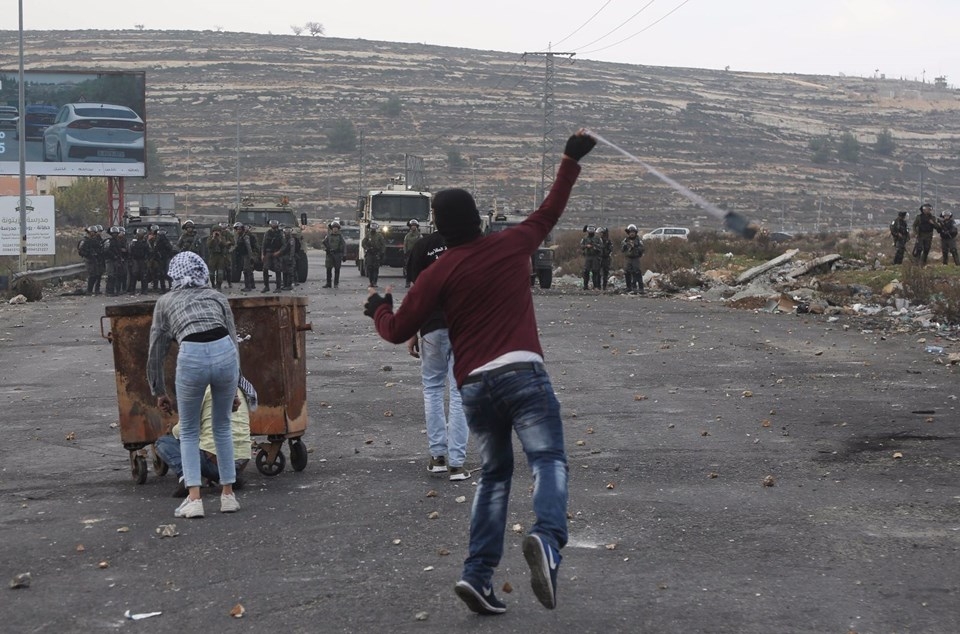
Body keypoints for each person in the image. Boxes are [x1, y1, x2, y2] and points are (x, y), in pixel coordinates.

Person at [364, 130, 596, 615]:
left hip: (475, 388)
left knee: (494, 474)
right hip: (523, 373)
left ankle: (477, 575)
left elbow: (398, 329)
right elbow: (552, 209)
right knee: (548, 460)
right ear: (477, 219)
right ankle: (548, 539)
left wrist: (377, 309)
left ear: (440, 228)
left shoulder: (438, 272)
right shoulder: (513, 243)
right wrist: (570, 158)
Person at [147, 251, 242, 519]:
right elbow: (233, 340)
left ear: (173, 275)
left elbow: (156, 350)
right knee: (222, 426)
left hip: (192, 355)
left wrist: (159, 390)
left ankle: (195, 498)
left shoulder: (165, 302)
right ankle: (228, 496)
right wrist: (235, 386)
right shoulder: (217, 297)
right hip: (225, 353)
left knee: (188, 431)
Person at [405, 230, 470, 481]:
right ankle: (457, 463)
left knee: (432, 389)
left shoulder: (423, 246)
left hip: (431, 327)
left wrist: (411, 331)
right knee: (459, 392)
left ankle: (438, 458)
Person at [155, 382, 256, 497]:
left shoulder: (202, 390)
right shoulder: (241, 389)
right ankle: (230, 477)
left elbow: (185, 430)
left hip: (216, 462)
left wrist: (173, 428)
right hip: (242, 463)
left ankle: (186, 477)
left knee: (163, 442)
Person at [77, 225, 103, 296]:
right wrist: (88, 254)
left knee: (96, 275)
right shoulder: (84, 241)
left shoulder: (93, 240)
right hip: (88, 259)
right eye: (93, 232)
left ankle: (91, 290)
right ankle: (89, 290)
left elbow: (98, 248)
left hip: (94, 259)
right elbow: (80, 251)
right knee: (92, 275)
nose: (94, 233)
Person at [233, 222, 259, 292]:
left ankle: (248, 286)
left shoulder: (245, 237)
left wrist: (251, 257)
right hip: (244, 255)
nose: (238, 231)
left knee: (246, 270)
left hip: (247, 255)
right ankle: (252, 285)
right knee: (249, 270)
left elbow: (249, 248)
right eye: (237, 229)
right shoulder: (241, 236)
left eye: (239, 229)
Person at [261, 219, 283, 292]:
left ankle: (278, 287)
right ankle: (266, 286)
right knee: (265, 269)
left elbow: (283, 244)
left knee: (278, 269)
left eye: (275, 224)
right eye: (272, 224)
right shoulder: (268, 233)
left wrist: (279, 252)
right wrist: (262, 254)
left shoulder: (280, 233)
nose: (273, 225)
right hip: (268, 252)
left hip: (276, 252)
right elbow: (264, 244)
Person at [621, 224, 645, 293]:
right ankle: (629, 287)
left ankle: (640, 288)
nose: (631, 234)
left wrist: (635, 246)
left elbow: (642, 249)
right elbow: (622, 249)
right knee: (627, 272)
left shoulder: (638, 240)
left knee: (637, 272)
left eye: (633, 232)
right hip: (628, 258)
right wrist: (625, 245)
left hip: (635, 258)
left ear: (635, 232)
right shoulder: (625, 240)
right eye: (630, 232)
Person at [362, 222, 387, 287]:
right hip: (370, 253)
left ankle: (375, 282)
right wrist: (367, 248)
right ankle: (371, 282)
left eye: (374, 228)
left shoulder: (379, 235)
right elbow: (363, 243)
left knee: (376, 268)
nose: (373, 229)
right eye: (372, 228)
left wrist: (382, 252)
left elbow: (383, 244)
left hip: (377, 253)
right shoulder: (368, 235)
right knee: (370, 268)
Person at [322, 220, 346, 288]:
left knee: (337, 270)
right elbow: (323, 243)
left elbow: (344, 245)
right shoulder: (328, 236)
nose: (335, 229)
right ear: (332, 228)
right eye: (334, 228)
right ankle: (328, 283)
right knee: (328, 269)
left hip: (337, 255)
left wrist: (344, 255)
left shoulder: (340, 236)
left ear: (338, 229)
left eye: (336, 228)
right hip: (329, 255)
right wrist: (326, 249)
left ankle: (336, 283)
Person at [206, 225, 230, 290]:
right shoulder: (210, 238)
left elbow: (224, 245)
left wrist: (219, 239)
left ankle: (219, 285)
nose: (216, 232)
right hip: (213, 256)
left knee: (220, 273)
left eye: (218, 231)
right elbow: (208, 245)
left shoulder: (222, 238)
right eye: (215, 231)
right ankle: (213, 284)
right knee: (211, 273)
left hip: (220, 257)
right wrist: (213, 238)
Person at [128, 227, 150, 295]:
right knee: (134, 275)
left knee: (143, 275)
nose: (140, 235)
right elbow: (130, 251)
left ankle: (144, 290)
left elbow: (148, 251)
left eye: (141, 234)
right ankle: (132, 290)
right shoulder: (133, 242)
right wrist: (131, 260)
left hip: (142, 260)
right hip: (135, 260)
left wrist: (147, 259)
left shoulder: (145, 242)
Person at [580, 225, 602, 290]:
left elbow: (601, 247)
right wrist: (586, 246)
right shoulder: (585, 238)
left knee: (595, 271)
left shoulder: (597, 238)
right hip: (588, 256)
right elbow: (581, 246)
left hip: (595, 256)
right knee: (586, 271)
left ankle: (595, 286)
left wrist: (595, 247)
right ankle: (585, 286)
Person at [277, 225, 298, 291]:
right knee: (284, 271)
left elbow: (292, 249)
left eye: (288, 230)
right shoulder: (284, 239)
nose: (286, 232)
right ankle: (285, 285)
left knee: (289, 272)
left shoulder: (291, 240)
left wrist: (291, 257)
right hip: (283, 257)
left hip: (288, 257)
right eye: (285, 230)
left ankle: (289, 285)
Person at [403, 219, 422, 287]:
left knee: (417, 268)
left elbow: (421, 244)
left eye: (414, 226)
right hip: (409, 253)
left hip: (417, 253)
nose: (413, 227)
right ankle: (407, 282)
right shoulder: (407, 236)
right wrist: (405, 252)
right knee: (408, 268)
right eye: (412, 226)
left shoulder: (419, 235)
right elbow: (405, 244)